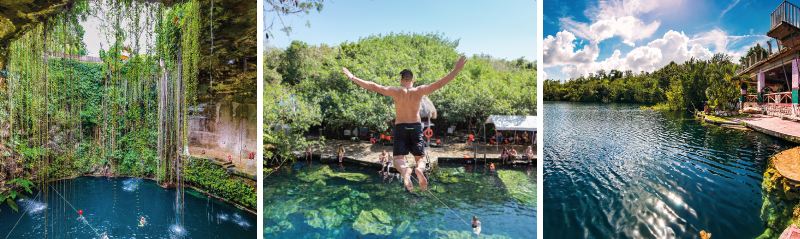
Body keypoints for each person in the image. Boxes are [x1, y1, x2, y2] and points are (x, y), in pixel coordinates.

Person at [343, 55, 467, 192]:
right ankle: (419, 170)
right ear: (413, 80)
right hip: (415, 127)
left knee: (397, 159)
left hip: (401, 127)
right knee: (421, 159)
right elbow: (438, 84)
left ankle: (404, 171)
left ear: (401, 81)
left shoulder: (395, 91)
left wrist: (353, 77)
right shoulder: (419, 91)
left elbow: (374, 86)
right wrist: (456, 70)